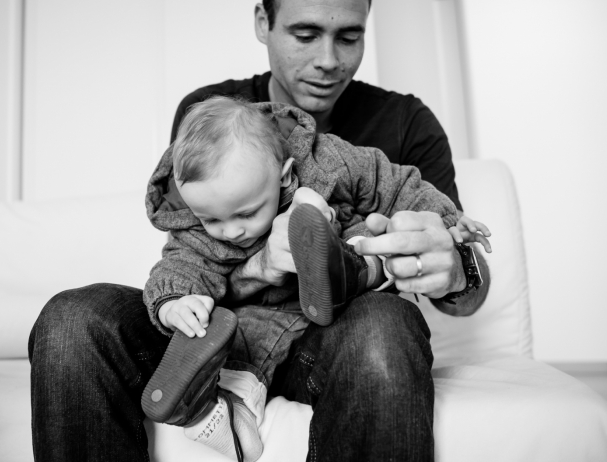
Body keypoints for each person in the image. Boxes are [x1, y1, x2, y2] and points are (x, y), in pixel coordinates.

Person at [28, 0, 491, 460]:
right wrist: (252, 270)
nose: (328, 61)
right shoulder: (206, 118)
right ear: (262, 21)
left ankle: (341, 272)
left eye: (349, 36)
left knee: (384, 323)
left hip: (332, 330)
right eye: (305, 35)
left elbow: (462, 276)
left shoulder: (402, 125)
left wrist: (455, 264)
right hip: (223, 327)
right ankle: (217, 387)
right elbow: (191, 251)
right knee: (71, 320)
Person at [140, 96, 475, 461]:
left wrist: (448, 222)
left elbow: (394, 184)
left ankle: (348, 263)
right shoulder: (197, 220)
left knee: (369, 243)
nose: (231, 231)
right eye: (212, 220)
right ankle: (214, 405)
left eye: (246, 213)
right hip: (258, 328)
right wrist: (175, 302)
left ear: (284, 174)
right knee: (239, 354)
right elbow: (180, 263)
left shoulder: (327, 161)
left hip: (341, 312)